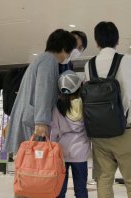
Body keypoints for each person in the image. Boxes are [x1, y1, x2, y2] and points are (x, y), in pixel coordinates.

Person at [84, 21, 131, 198]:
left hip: (99, 132)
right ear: (117, 40)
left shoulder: (90, 65)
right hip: (126, 129)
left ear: (96, 42)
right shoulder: (129, 60)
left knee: (103, 179)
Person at [5, 29, 76, 153]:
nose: (68, 56)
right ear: (64, 48)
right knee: (35, 165)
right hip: (33, 122)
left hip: (27, 116)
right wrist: (42, 122)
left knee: (28, 162)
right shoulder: (48, 61)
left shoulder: (42, 59)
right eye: (69, 51)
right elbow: (43, 91)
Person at [50, 70, 90, 198]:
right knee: (81, 188)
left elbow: (54, 131)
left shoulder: (57, 107)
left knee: (60, 188)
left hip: (61, 152)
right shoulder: (86, 104)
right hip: (81, 152)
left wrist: (52, 147)